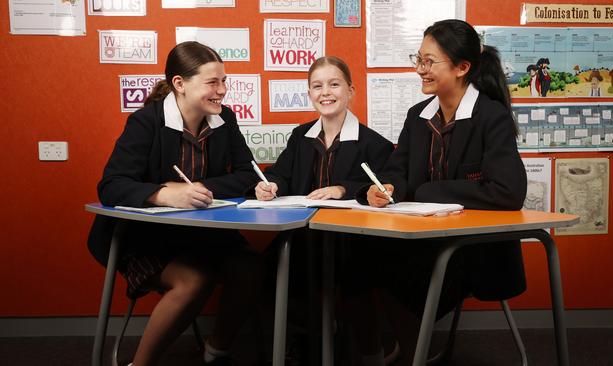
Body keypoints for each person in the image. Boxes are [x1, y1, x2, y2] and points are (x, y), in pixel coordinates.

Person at [347, 19, 528, 366]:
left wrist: (429, 191)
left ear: (462, 68)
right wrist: (384, 188)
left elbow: (508, 192)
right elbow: (397, 170)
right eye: (419, 58)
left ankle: (416, 352)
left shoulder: (491, 117)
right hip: (424, 240)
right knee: (357, 263)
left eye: (429, 62)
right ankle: (404, 354)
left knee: (391, 272)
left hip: (475, 250)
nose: (420, 69)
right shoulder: (418, 116)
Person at [87, 41, 262, 366]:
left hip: (204, 235)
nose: (222, 90)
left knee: (252, 268)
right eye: (213, 82)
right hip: (145, 239)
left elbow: (247, 175)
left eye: (224, 81)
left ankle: (216, 349)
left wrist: (197, 188)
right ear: (180, 84)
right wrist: (164, 194)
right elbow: (111, 185)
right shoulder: (146, 121)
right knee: (194, 280)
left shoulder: (225, 120)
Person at [253, 56, 394, 364]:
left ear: (351, 90)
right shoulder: (300, 136)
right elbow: (281, 173)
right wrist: (270, 185)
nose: (325, 92)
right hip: (303, 237)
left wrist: (343, 189)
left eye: (334, 84)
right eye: (317, 86)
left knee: (357, 280)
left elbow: (384, 188)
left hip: (353, 240)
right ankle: (295, 343)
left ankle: (372, 352)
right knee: (266, 270)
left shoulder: (376, 144)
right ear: (309, 93)